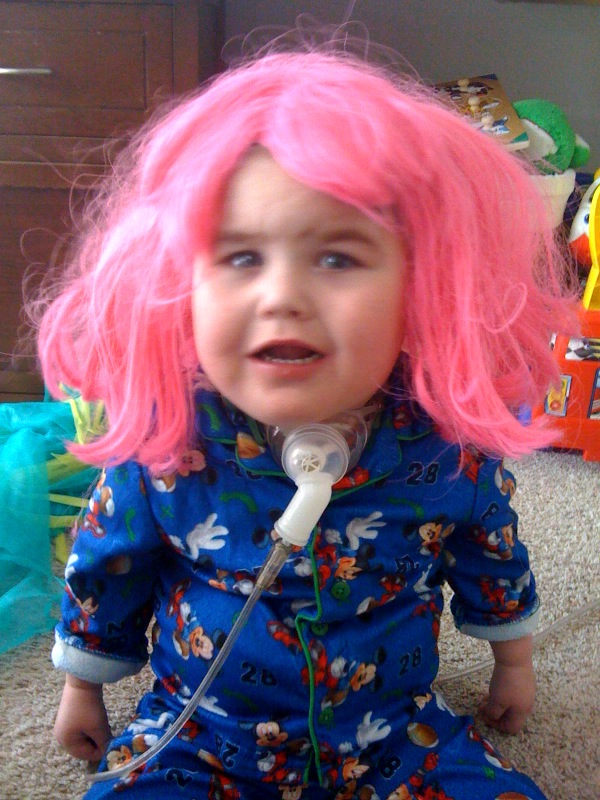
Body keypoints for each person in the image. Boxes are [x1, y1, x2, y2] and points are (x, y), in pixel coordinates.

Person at [38, 48, 577, 800]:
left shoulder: (444, 445)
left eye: (336, 258)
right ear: (179, 286)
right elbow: (107, 566)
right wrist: (83, 686)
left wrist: (513, 663)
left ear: (422, 287)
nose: (282, 295)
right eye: (240, 258)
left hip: (394, 735)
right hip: (201, 738)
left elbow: (492, 550)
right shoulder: (169, 442)